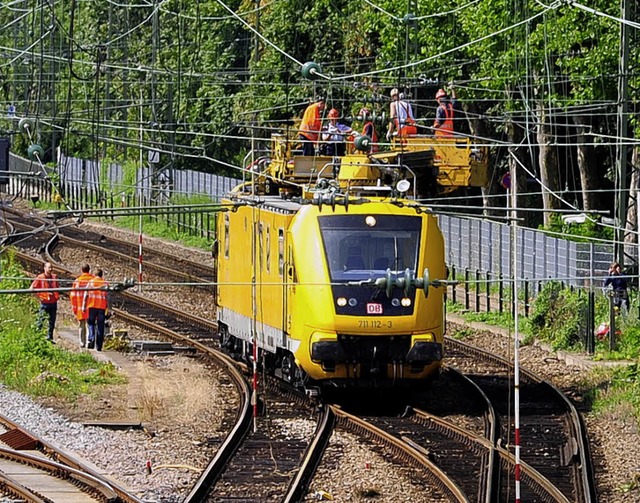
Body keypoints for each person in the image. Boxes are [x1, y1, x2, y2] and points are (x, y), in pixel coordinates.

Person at [30, 262, 59, 342]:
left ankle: (50, 337)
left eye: (51, 267)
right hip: (45, 303)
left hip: (53, 302)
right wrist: (39, 297)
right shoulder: (40, 277)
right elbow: (32, 288)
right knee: (41, 320)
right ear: (45, 268)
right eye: (49, 267)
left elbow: (57, 287)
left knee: (52, 321)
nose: (50, 269)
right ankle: (37, 336)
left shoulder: (54, 277)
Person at [83, 268, 109, 351]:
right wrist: (109, 308)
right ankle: (99, 346)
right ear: (101, 275)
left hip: (92, 306)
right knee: (100, 326)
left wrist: (84, 305)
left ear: (95, 275)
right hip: (101, 307)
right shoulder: (105, 283)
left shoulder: (91, 282)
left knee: (91, 323)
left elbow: (86, 294)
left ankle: (91, 337)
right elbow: (108, 297)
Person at [70, 264, 94, 348]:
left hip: (80, 307)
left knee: (81, 325)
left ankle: (81, 342)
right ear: (89, 270)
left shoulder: (77, 281)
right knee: (89, 325)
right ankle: (88, 341)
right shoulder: (93, 280)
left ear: (82, 270)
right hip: (91, 307)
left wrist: (74, 307)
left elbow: (73, 295)